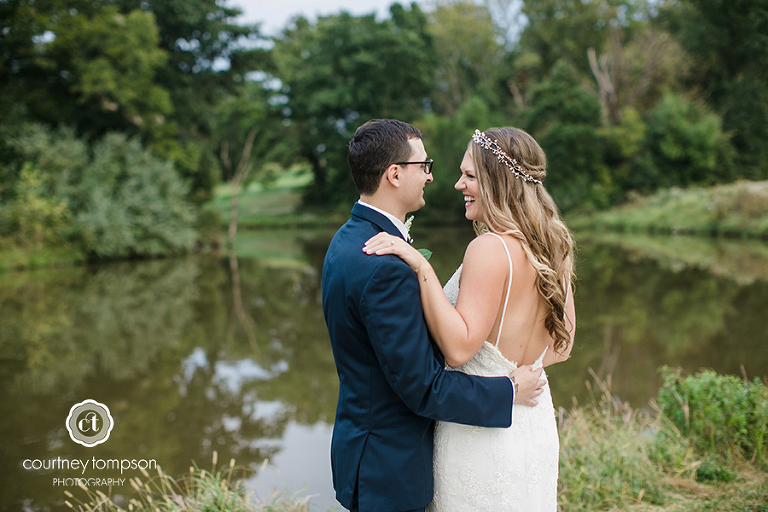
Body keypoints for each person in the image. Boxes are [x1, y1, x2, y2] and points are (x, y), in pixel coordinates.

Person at [322, 119, 547, 512]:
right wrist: (509, 390)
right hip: (390, 468)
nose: (431, 177)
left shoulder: (347, 241)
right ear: (394, 174)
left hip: (369, 453)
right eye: (424, 165)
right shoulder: (384, 265)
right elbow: (423, 387)